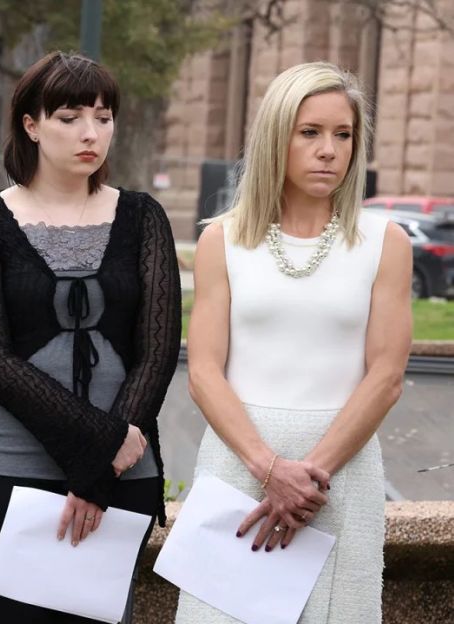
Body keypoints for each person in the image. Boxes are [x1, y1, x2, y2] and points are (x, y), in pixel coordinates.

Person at [0, 52, 182, 623]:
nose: (90, 134)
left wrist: (104, 466)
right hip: (4, 469)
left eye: (103, 118)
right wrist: (99, 445)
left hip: (125, 472)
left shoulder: (144, 216)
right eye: (70, 117)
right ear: (31, 125)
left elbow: (158, 349)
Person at [176, 62, 411, 622]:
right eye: (310, 132)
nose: (328, 150)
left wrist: (309, 477)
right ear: (276, 135)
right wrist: (268, 468)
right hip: (239, 465)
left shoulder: (386, 241)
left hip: (339, 473)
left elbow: (386, 376)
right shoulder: (222, 240)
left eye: (343, 134)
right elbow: (204, 371)